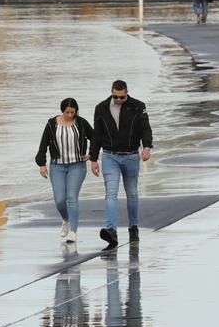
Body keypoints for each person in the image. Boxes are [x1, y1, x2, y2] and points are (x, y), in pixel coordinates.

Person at [90, 80, 154, 250]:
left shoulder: (138, 107)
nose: (118, 100)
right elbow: (97, 135)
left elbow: (146, 129)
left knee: (132, 193)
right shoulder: (101, 108)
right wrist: (93, 159)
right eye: (115, 97)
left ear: (127, 93)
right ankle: (111, 230)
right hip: (110, 156)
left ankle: (133, 227)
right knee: (111, 193)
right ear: (111, 93)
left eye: (122, 97)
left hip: (131, 155)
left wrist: (146, 148)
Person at [34, 97, 95, 245]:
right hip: (57, 167)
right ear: (62, 111)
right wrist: (42, 164)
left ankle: (73, 231)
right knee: (60, 199)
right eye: (67, 112)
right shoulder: (51, 124)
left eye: (72, 112)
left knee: (71, 196)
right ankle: (66, 220)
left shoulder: (81, 123)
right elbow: (43, 146)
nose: (70, 115)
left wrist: (92, 155)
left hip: (77, 166)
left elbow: (96, 138)